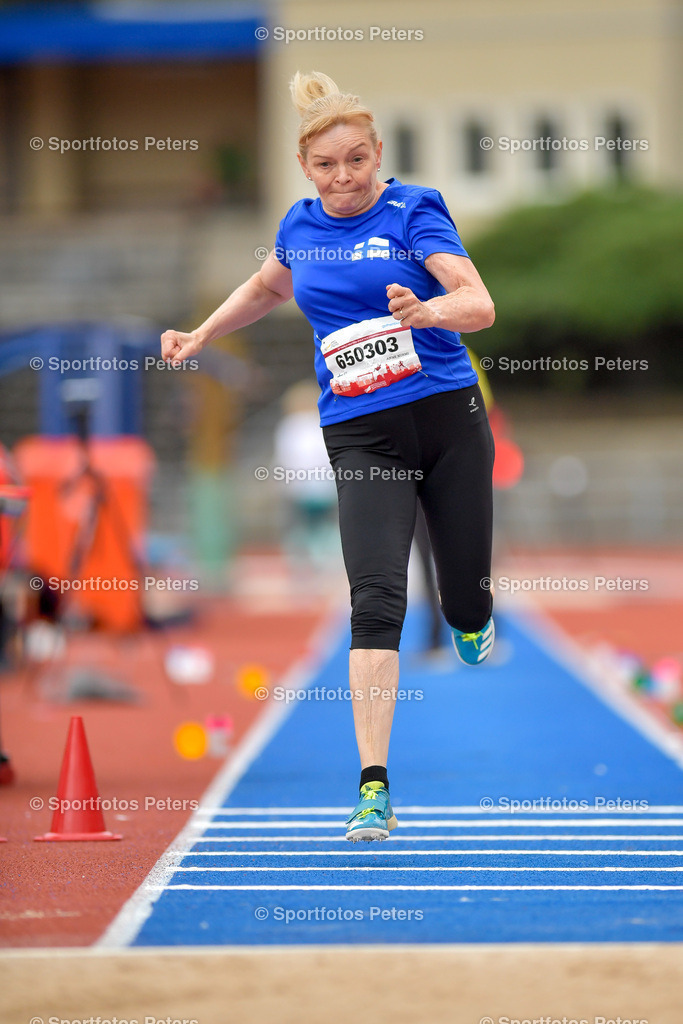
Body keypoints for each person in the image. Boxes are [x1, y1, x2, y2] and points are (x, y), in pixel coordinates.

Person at [161, 71, 496, 843]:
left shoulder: (415, 210)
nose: (342, 178)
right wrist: (203, 333)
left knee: (464, 600)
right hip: (360, 429)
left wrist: (426, 309)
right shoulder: (300, 224)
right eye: (325, 165)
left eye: (355, 161)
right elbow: (265, 286)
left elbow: (477, 304)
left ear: (378, 154)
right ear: (304, 168)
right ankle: (373, 786)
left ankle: (471, 616)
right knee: (375, 602)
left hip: (446, 421)